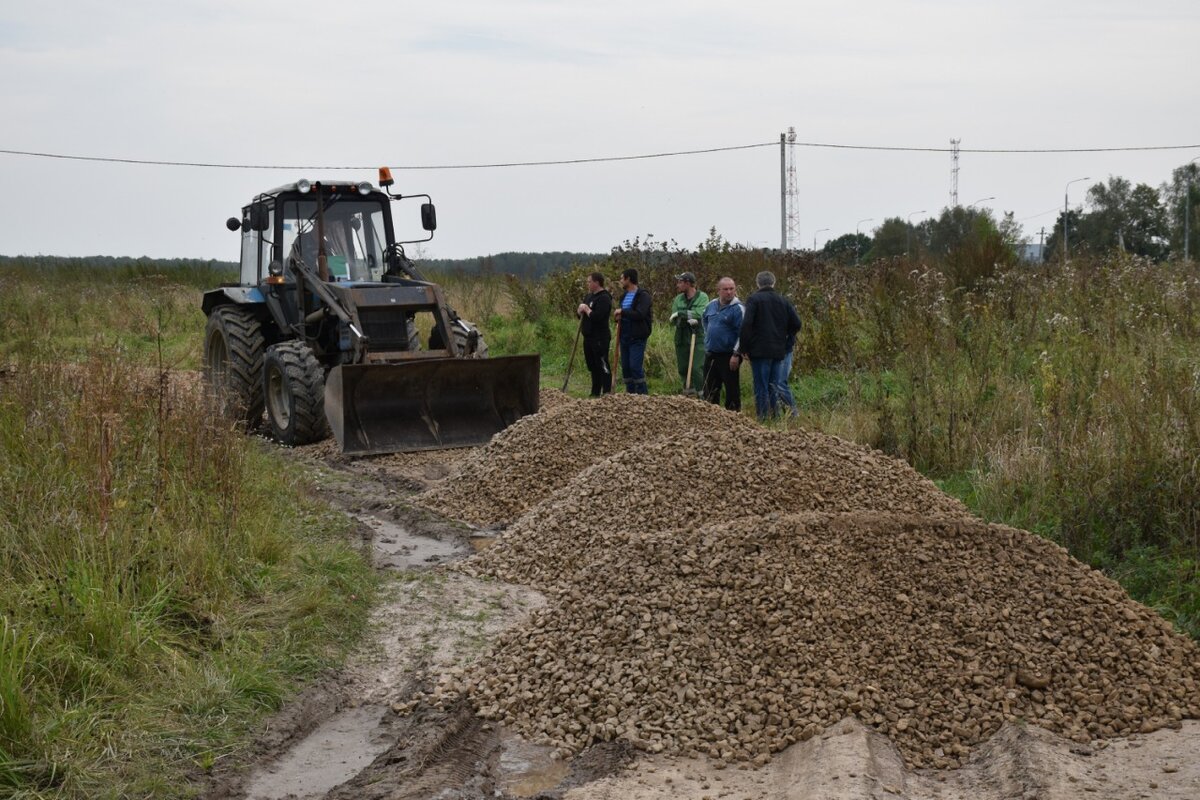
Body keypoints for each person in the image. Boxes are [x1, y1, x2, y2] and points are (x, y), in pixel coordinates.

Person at [736, 270, 801, 420]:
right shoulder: (783, 301)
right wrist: (785, 339)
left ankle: (763, 418)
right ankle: (776, 417)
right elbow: (797, 324)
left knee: (761, 385)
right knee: (774, 386)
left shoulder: (754, 299)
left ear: (758, 283)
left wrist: (743, 348)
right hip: (778, 350)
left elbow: (746, 324)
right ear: (774, 283)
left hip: (759, 350)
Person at [701, 276, 744, 411]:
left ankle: (733, 417)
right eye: (725, 289)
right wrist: (709, 337)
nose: (729, 292)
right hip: (711, 353)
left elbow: (743, 334)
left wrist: (736, 354)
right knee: (710, 387)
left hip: (729, 355)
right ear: (718, 290)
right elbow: (705, 320)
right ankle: (712, 415)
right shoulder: (711, 305)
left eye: (732, 289)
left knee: (731, 389)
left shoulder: (738, 308)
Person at [613, 268, 652, 394]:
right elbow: (624, 314)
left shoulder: (643, 295)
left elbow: (640, 314)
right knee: (626, 369)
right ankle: (630, 397)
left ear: (628, 279)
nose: (620, 281)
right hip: (624, 335)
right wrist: (618, 318)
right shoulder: (624, 296)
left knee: (635, 367)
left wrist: (622, 312)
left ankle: (643, 396)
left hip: (637, 337)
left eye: (621, 278)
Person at [668, 272, 709, 393]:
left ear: (688, 283)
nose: (677, 285)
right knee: (683, 368)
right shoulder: (678, 299)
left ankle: (702, 395)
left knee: (697, 369)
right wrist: (684, 316)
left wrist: (682, 314)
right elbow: (673, 317)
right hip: (681, 336)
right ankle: (688, 395)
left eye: (680, 282)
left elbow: (700, 313)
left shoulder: (702, 297)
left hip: (698, 335)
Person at [576, 272, 613, 396]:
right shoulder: (588, 296)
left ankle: (607, 391)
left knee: (602, 364)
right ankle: (595, 391)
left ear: (597, 282)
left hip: (600, 338)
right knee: (592, 365)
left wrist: (586, 309)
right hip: (588, 337)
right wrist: (580, 310)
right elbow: (581, 315)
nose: (588, 284)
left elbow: (598, 317)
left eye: (589, 281)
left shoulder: (604, 298)